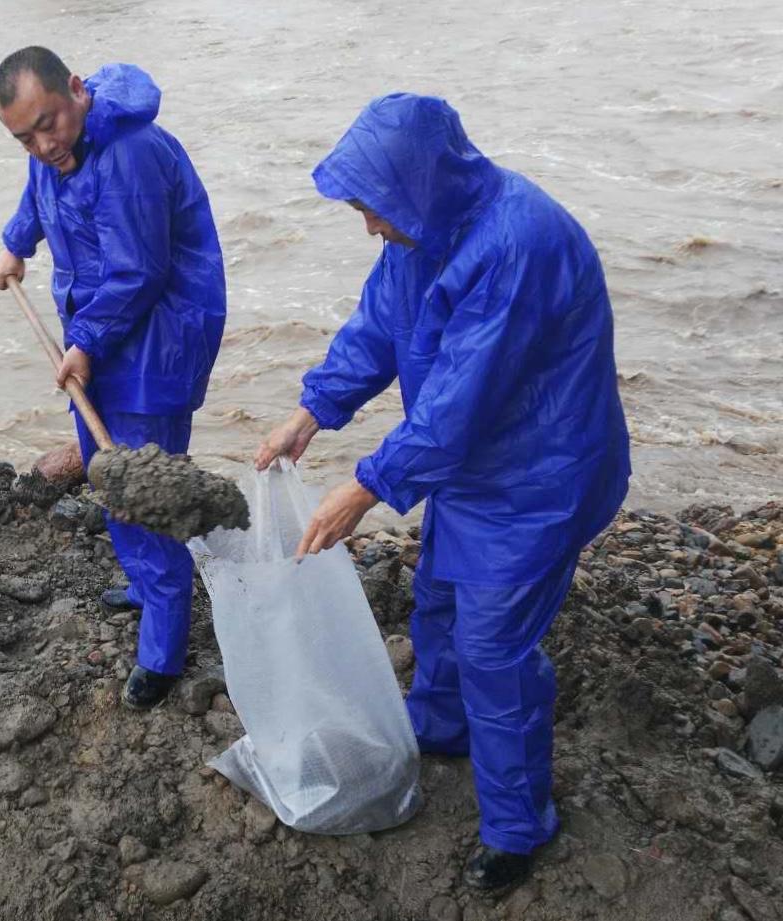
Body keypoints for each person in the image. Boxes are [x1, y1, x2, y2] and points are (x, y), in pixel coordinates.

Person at [256, 94, 630, 890]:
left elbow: (458, 403)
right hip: (472, 465)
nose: (369, 226)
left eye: (372, 209)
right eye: (363, 209)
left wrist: (363, 488)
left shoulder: (518, 242)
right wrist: (311, 413)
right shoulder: (417, 227)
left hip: (543, 472)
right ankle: (443, 723)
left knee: (495, 648)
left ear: (417, 186)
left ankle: (516, 828)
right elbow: (377, 328)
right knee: (437, 602)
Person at [0, 47, 226, 709]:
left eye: (49, 123)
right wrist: (17, 240)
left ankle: (165, 642)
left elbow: (140, 272)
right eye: (23, 137)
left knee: (141, 481)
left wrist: (86, 343)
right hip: (98, 325)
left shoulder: (128, 154)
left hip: (158, 332)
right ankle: (150, 583)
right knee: (102, 464)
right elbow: (43, 188)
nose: (42, 144)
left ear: (77, 90)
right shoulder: (55, 148)